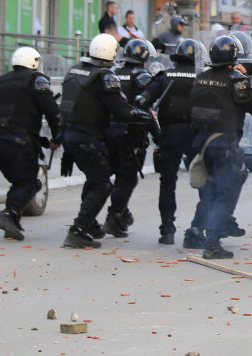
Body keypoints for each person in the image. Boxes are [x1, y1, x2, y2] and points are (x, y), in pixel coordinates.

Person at [60, 34, 153, 249]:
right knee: (102, 184)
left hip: (71, 135)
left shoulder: (75, 71)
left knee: (94, 179)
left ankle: (90, 223)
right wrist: (140, 116)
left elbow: (66, 108)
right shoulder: (103, 76)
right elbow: (120, 108)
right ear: (112, 53)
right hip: (88, 138)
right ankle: (78, 230)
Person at [187, 36, 252, 259]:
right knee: (225, 191)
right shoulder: (236, 81)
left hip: (202, 142)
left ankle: (196, 230)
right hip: (223, 143)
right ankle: (213, 240)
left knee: (213, 189)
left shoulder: (201, 78)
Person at [0, 47, 62, 241]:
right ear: (33, 63)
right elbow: (52, 112)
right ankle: (9, 214)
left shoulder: (1, 81)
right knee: (30, 183)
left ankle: (11, 225)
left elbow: (16, 119)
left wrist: (44, 143)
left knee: (19, 182)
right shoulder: (35, 80)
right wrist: (58, 136)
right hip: (20, 143)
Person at [136, 38, 200, 244]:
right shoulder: (200, 77)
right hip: (194, 135)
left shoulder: (164, 76)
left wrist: (153, 124)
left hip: (170, 134)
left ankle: (167, 229)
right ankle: (200, 228)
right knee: (203, 180)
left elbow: (142, 100)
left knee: (167, 183)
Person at [103, 39, 160, 238]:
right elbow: (146, 110)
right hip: (131, 134)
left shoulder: (113, 74)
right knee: (127, 178)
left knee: (109, 176)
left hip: (108, 133)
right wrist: (158, 136)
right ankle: (115, 215)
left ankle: (121, 213)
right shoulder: (142, 77)